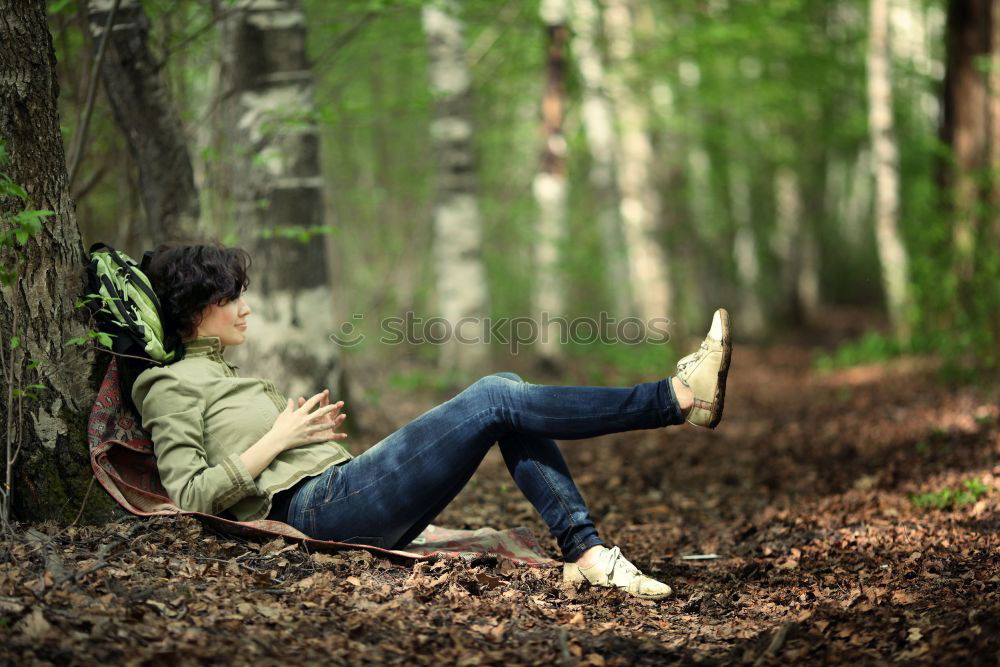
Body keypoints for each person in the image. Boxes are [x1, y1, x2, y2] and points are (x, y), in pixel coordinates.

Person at [133, 241, 732, 601]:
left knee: (506, 398)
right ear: (194, 307)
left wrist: (295, 439)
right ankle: (674, 398)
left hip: (341, 493)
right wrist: (278, 439)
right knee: (496, 395)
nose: (246, 308)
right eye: (231, 296)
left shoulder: (227, 375)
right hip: (316, 511)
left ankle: (586, 552)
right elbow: (188, 497)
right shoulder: (165, 384)